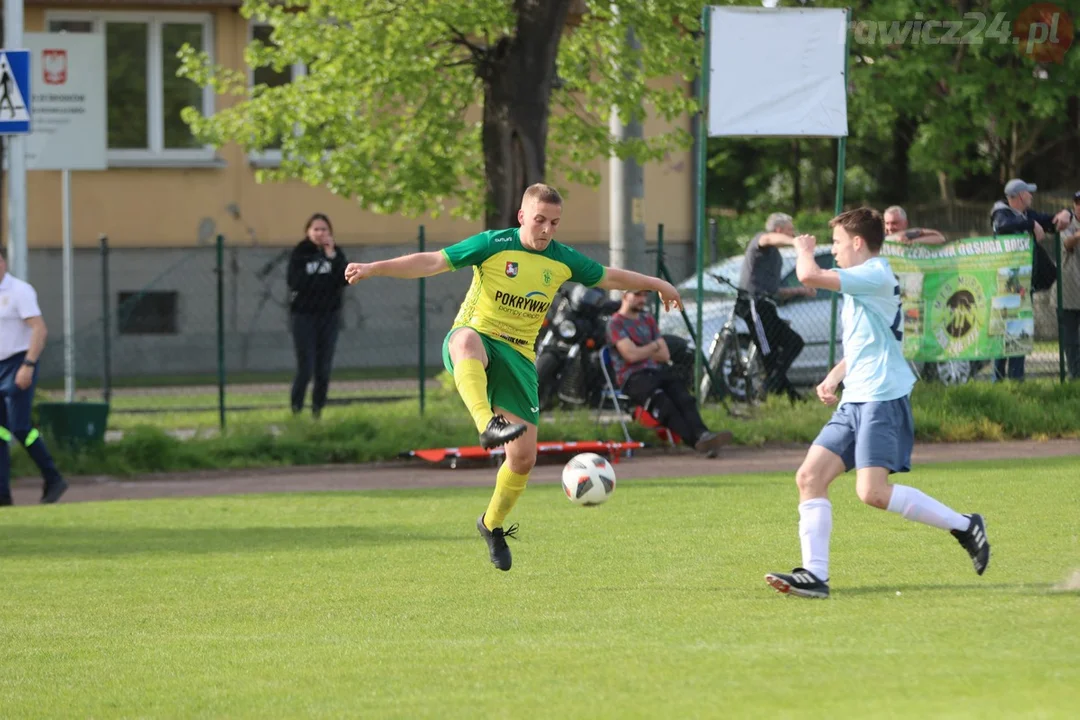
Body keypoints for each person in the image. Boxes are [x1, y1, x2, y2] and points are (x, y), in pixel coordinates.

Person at [344, 183, 684, 572]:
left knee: (523, 458)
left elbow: (609, 277)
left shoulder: (562, 259)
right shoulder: (493, 243)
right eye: (539, 219)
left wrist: (657, 283)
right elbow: (431, 262)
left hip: (519, 355)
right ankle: (486, 423)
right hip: (477, 337)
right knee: (465, 341)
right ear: (522, 216)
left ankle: (491, 525)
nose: (546, 229)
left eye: (554, 223)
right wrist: (374, 268)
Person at [763, 208, 990, 599]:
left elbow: (807, 276)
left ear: (856, 242)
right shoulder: (864, 282)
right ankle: (815, 576)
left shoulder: (874, 273)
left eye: (835, 243)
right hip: (856, 399)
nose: (831, 251)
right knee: (809, 478)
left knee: (872, 493)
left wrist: (802, 248)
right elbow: (871, 341)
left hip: (881, 397)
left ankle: (965, 525)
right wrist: (836, 375)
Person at [607, 289, 733, 456]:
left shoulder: (647, 320)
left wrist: (640, 349)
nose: (642, 299)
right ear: (624, 296)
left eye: (644, 295)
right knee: (664, 405)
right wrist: (652, 347)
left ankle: (704, 434)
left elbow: (664, 355)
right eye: (637, 295)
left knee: (683, 397)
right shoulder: (615, 323)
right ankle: (697, 443)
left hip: (656, 370)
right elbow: (630, 356)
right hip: (632, 378)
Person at [0, 247, 68, 506]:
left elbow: (39, 329)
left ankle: (53, 477)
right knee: (0, 432)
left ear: (2, 262)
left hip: (18, 363)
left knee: (19, 427)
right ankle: (2, 494)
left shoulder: (19, 291)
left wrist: (28, 364)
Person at [990, 179, 1073, 381]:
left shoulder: (1027, 214)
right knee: (1003, 334)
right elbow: (1003, 226)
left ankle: (1016, 381)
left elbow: (1052, 220)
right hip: (1004, 287)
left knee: (1019, 332)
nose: (1031, 196)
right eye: (1028, 193)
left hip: (1023, 285)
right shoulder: (1002, 213)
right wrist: (1032, 224)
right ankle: (998, 381)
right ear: (1019, 196)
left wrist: (1066, 214)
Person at [737, 212, 814, 402]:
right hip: (752, 304)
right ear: (779, 230)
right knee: (768, 355)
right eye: (790, 230)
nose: (793, 233)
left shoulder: (776, 257)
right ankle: (783, 395)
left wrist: (800, 291)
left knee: (794, 342)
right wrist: (795, 242)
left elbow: (775, 290)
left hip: (767, 307)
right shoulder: (760, 241)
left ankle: (772, 385)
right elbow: (769, 238)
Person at [287, 213, 349, 418]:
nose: (320, 233)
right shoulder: (300, 253)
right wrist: (321, 277)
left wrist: (330, 256)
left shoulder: (336, 254)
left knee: (323, 369)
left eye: (324, 229)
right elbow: (295, 282)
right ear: (308, 231)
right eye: (316, 229)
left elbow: (343, 280)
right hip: (303, 317)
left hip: (329, 317)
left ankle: (317, 412)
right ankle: (296, 411)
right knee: (306, 368)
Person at [1060, 191, 1080, 379]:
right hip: (1069, 291)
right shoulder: (1065, 222)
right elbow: (1067, 242)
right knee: (1071, 339)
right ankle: (1075, 376)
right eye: (1078, 202)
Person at [883, 205, 947, 245]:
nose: (890, 227)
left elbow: (940, 238)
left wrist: (911, 242)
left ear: (905, 223)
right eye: (887, 223)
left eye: (894, 223)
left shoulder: (909, 235)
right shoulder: (879, 236)